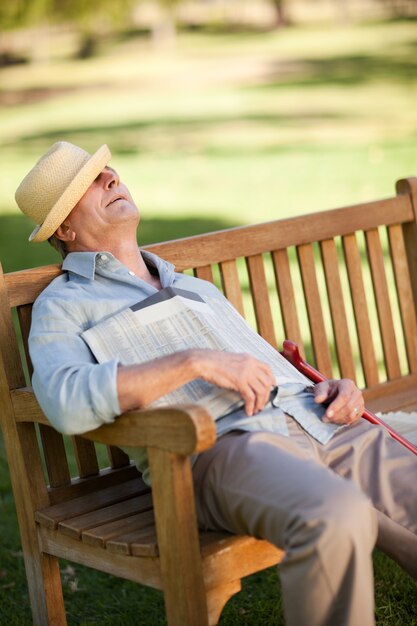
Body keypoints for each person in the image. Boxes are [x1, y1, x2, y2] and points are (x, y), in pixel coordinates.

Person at [15, 141, 417, 626]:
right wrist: (192, 362)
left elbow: (271, 369)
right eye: (90, 182)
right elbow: (65, 402)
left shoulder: (195, 288)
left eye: (109, 172)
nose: (111, 180)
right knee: (335, 512)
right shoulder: (65, 304)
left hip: (316, 423)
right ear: (65, 228)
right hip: (228, 447)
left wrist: (335, 388)